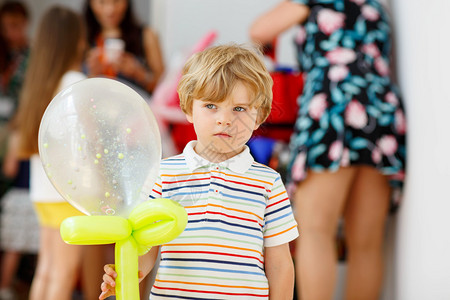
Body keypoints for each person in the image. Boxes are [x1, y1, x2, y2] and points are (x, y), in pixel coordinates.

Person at [99, 44, 299, 300]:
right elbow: (147, 248)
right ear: (188, 109)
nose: (224, 119)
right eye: (211, 106)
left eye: (239, 109)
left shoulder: (268, 183)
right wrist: (127, 275)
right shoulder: (163, 175)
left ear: (259, 116)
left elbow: (280, 264)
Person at [250, 1, 406, 300]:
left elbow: (259, 30)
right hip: (381, 115)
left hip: (333, 111)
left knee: (316, 232)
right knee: (367, 243)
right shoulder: (375, 5)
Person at [14, 6, 105, 300]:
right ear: (76, 40)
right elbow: (93, 139)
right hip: (70, 193)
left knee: (46, 270)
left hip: (42, 192)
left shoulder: (40, 84)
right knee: (63, 274)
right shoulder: (74, 82)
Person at [83, 0, 165, 96]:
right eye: (101, 2)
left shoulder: (147, 35)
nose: (110, 10)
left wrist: (139, 73)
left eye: (117, 1)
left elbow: (163, 88)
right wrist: (92, 74)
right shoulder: (82, 38)